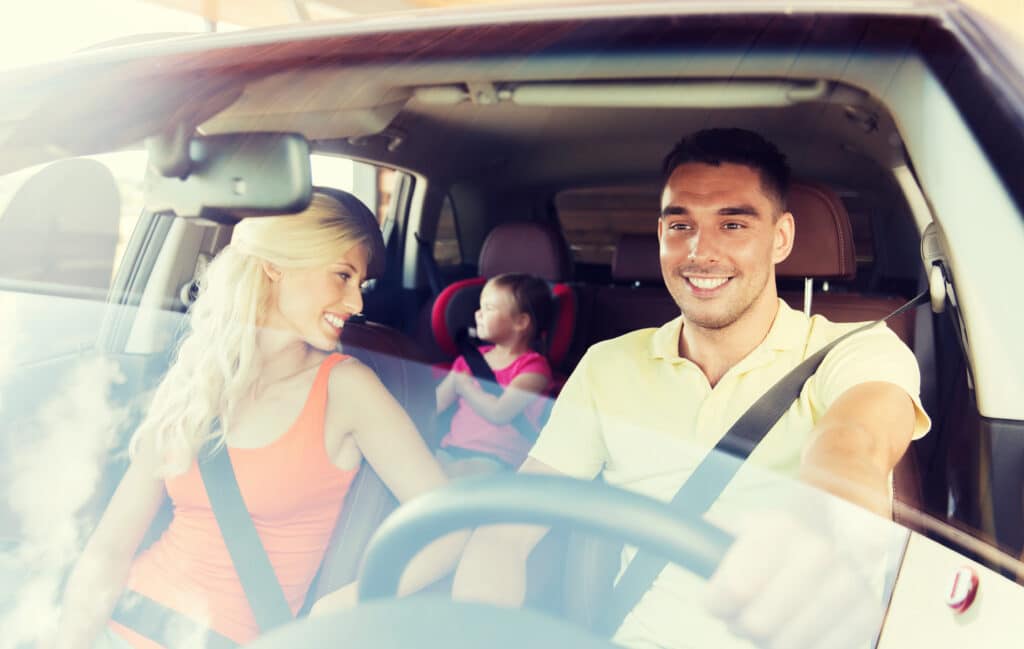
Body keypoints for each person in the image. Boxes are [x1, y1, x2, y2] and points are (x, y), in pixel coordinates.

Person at [452, 129, 931, 648]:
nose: (701, 251)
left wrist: (818, 519)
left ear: (781, 237)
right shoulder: (608, 366)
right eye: (681, 224)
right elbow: (506, 530)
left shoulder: (857, 349)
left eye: (733, 223)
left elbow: (854, 442)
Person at [56, 192, 459, 649]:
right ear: (276, 266)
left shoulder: (346, 389)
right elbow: (110, 547)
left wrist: (338, 608)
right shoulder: (196, 379)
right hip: (120, 621)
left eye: (359, 284)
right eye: (342, 275)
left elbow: (449, 525)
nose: (355, 303)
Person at [434, 273, 553, 477]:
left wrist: (464, 386)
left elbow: (500, 413)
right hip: (450, 450)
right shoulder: (468, 361)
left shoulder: (534, 369)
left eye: (488, 309)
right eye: (480, 307)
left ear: (521, 322)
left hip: (498, 460)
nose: (478, 314)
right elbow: (433, 407)